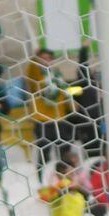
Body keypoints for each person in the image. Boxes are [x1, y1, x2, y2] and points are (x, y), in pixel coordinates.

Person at [26, 48, 73, 181]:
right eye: (42, 58)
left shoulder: (56, 75)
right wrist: (34, 57)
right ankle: (42, 180)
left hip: (59, 118)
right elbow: (31, 70)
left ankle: (63, 178)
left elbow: (64, 93)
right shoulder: (36, 74)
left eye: (48, 58)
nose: (46, 61)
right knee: (44, 151)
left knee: (65, 149)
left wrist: (71, 104)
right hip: (42, 119)